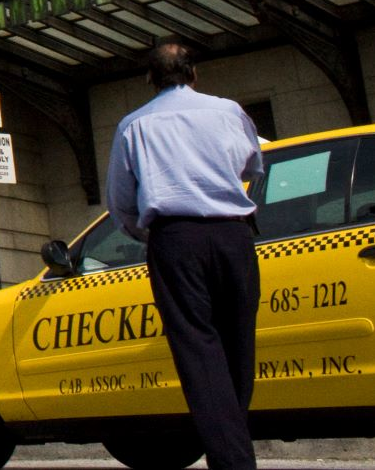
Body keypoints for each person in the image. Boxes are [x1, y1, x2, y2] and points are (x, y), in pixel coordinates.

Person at [105, 40, 264, 470]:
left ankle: (232, 459)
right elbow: (252, 166)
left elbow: (120, 202)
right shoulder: (229, 111)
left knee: (199, 353)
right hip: (233, 234)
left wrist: (152, 235)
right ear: (194, 73)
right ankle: (232, 454)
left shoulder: (133, 126)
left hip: (175, 239)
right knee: (238, 346)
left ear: (149, 79)